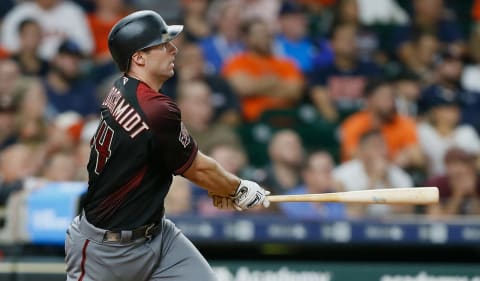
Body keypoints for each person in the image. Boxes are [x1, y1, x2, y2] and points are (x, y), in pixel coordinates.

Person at [64, 10, 270, 281]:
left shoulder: (122, 88)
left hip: (157, 236)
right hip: (105, 251)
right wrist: (239, 188)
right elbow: (198, 169)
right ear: (138, 58)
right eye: (162, 45)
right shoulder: (154, 108)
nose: (173, 49)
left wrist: (221, 186)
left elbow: (165, 157)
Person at [222, 18, 304, 122]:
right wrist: (275, 82)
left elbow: (294, 92)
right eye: (259, 33)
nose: (265, 37)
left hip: (287, 118)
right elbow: (243, 89)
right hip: (254, 121)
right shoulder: (236, 62)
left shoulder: (286, 63)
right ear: (246, 38)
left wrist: (257, 85)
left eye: (267, 33)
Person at [340, 78, 424, 170]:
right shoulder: (354, 123)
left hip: (393, 177)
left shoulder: (404, 122)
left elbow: (418, 158)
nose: (391, 102)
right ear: (370, 99)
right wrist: (392, 161)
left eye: (393, 97)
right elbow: (353, 156)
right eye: (385, 97)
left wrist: (406, 157)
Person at [333, 129, 414, 218]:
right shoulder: (342, 176)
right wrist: (373, 179)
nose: (380, 152)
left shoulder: (400, 176)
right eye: (374, 146)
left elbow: (407, 213)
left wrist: (387, 180)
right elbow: (351, 215)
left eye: (382, 146)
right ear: (361, 151)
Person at [279, 151, 345, 219]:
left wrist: (343, 195)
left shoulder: (339, 199)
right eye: (324, 170)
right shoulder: (290, 201)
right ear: (307, 175)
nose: (329, 175)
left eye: (330, 170)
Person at [425, 148, 480, 217]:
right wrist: (457, 195)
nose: (455, 170)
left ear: (470, 168)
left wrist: (473, 192)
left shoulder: (477, 183)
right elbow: (435, 219)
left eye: (460, 164)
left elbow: (476, 219)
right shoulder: (437, 184)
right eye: (451, 165)